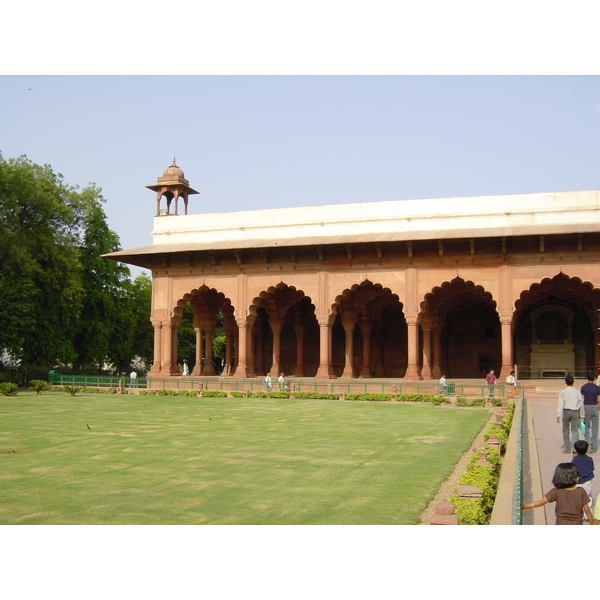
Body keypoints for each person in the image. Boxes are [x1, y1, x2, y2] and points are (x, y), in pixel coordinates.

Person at [521, 463, 597, 525]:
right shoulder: (581, 491)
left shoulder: (556, 491)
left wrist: (525, 506)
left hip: (560, 523)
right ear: (573, 478)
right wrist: (592, 522)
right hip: (576, 523)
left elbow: (541, 502)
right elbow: (586, 509)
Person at [557, 374, 583, 454]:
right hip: (574, 411)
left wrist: (558, 414)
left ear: (565, 382)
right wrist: (578, 410)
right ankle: (575, 449)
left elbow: (560, 403)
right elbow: (581, 402)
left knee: (565, 430)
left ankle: (567, 448)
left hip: (566, 411)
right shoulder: (577, 392)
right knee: (575, 431)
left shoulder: (563, 392)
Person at [580, 372, 599, 453]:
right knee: (595, 427)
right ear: (594, 378)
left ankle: (588, 444)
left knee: (587, 426)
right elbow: (599, 399)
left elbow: (582, 399)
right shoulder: (597, 388)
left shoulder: (583, 387)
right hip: (595, 406)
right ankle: (594, 447)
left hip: (587, 406)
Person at [572, 440, 594, 510]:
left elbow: (573, 469)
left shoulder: (575, 460)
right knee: (588, 497)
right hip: (587, 481)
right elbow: (592, 468)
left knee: (577, 498)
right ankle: (587, 514)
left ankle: (578, 512)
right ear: (587, 449)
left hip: (577, 482)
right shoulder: (589, 459)